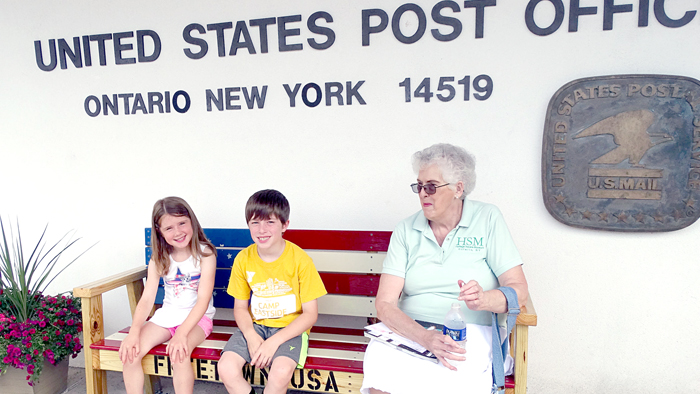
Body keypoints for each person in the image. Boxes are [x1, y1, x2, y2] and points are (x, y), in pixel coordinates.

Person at [361, 143, 529, 394]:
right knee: (382, 369)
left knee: (452, 376)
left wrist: (484, 299)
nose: (422, 194)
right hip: (411, 331)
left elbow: (519, 289)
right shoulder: (406, 229)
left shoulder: (488, 218)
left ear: (458, 188)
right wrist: (424, 337)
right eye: (419, 186)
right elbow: (384, 304)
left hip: (469, 331)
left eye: (431, 186)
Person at [218, 189, 327, 394]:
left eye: (270, 222)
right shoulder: (243, 259)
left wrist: (273, 342)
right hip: (256, 326)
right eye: (255, 222)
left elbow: (310, 314)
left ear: (285, 225)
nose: (262, 230)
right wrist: (250, 334)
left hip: (289, 329)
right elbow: (240, 308)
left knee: (281, 371)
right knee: (226, 367)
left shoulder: (300, 260)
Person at [119, 197, 217, 394]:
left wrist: (181, 334)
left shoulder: (205, 255)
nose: (178, 232)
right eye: (169, 228)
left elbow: (203, 300)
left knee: (179, 353)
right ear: (159, 231)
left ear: (192, 221)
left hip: (198, 319)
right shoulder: (159, 259)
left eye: (182, 223)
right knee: (131, 353)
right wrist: (134, 332)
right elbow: (146, 300)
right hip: (167, 317)